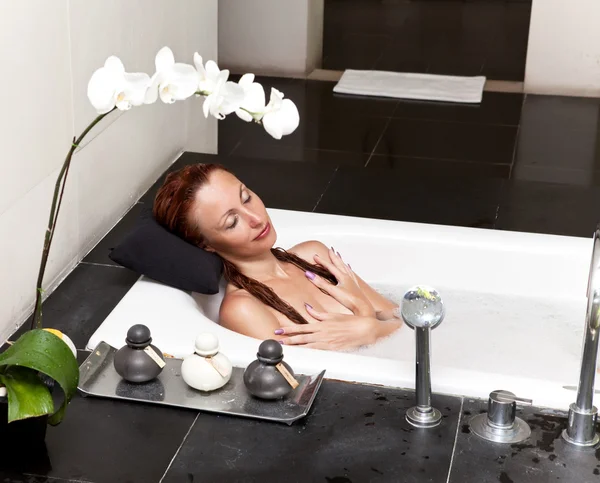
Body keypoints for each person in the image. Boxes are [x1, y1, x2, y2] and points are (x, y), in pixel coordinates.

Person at [153, 163, 402, 351]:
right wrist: (369, 325)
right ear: (205, 244)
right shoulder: (244, 308)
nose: (256, 218)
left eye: (246, 197)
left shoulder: (313, 255)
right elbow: (300, 376)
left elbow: (408, 323)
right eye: (232, 222)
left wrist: (369, 323)